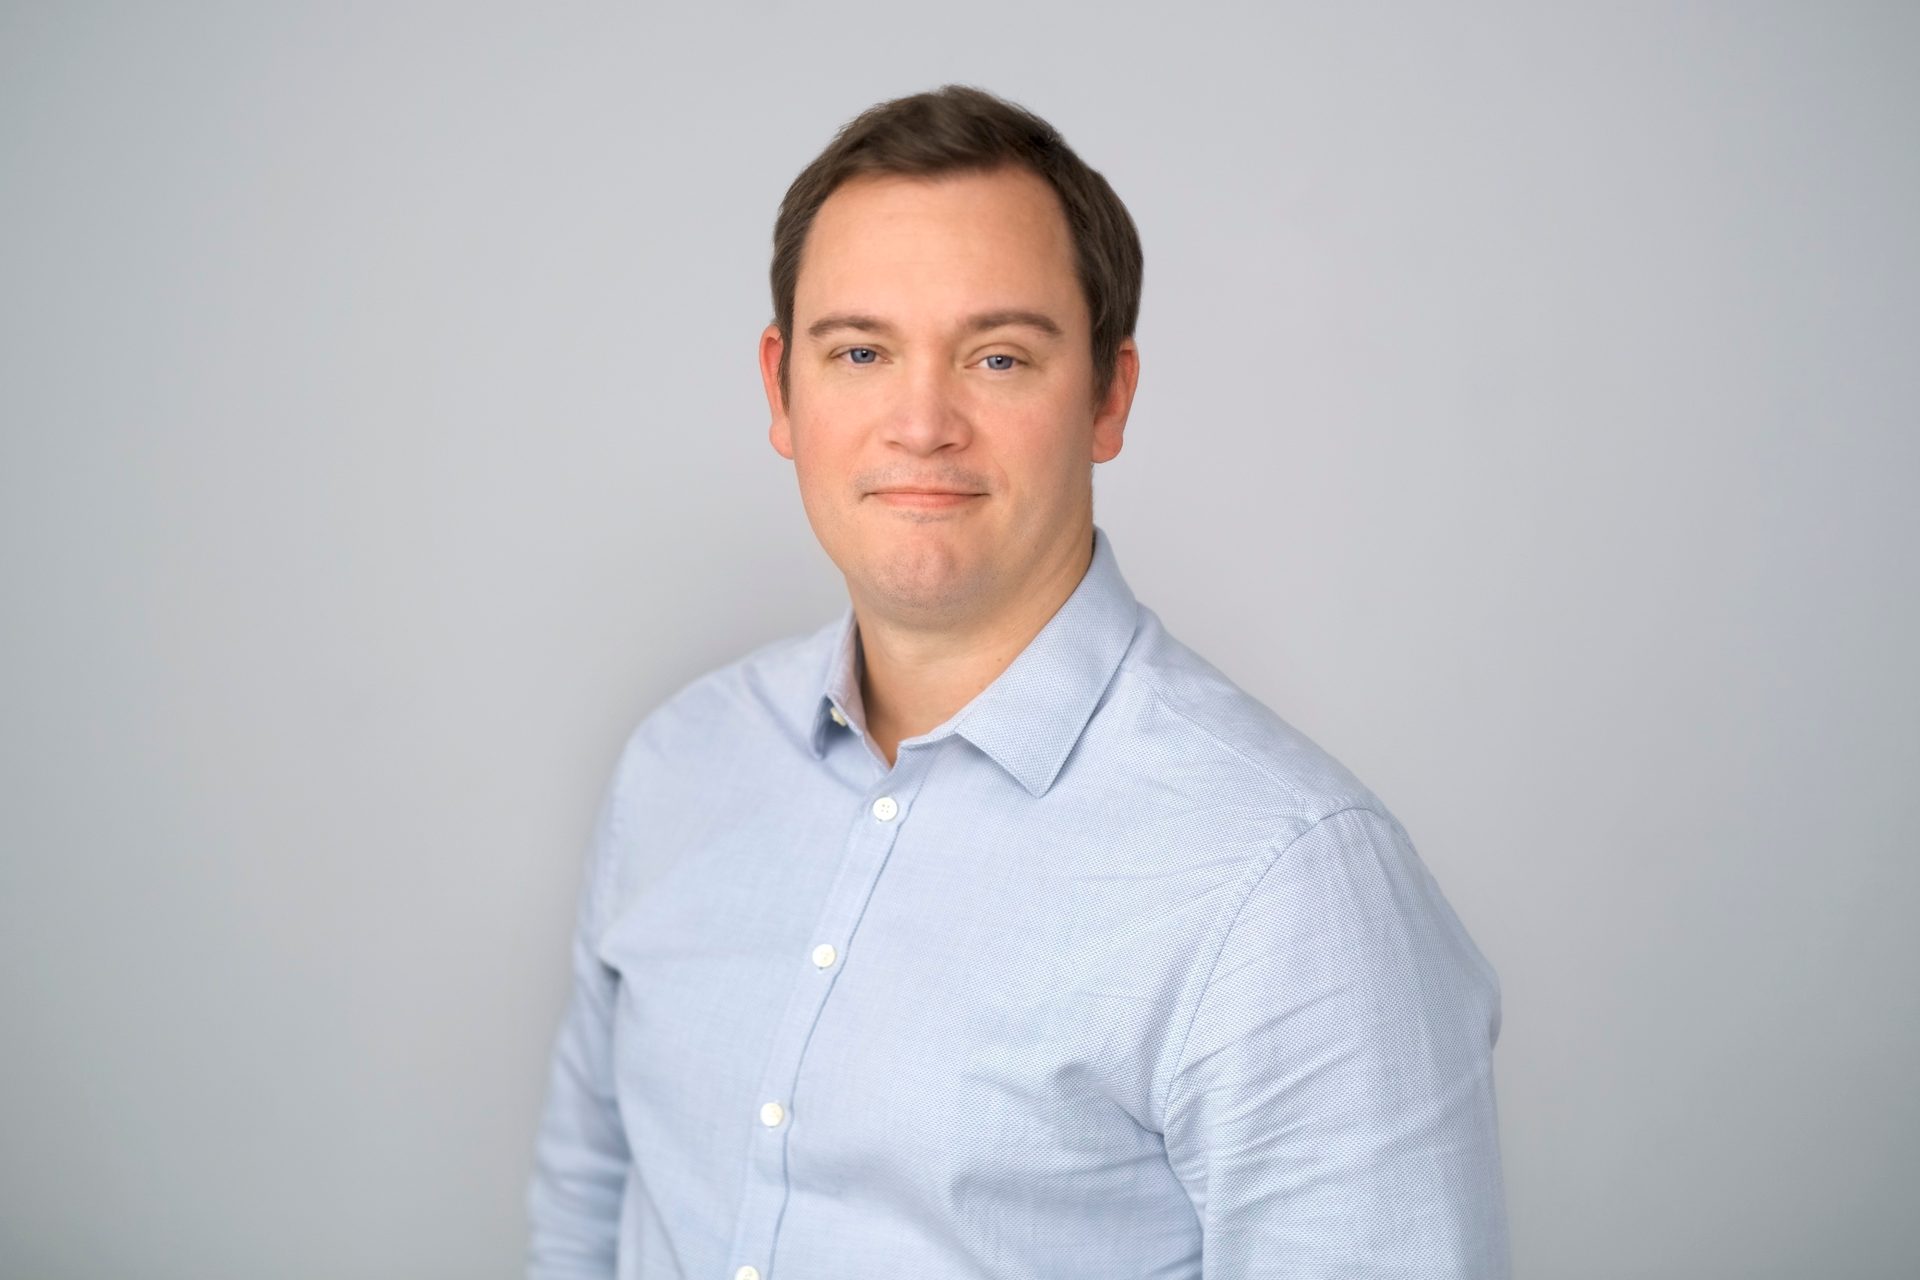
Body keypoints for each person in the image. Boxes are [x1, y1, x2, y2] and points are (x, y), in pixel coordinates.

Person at [526, 84, 1509, 1279]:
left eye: (998, 355)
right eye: (861, 351)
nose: (922, 421)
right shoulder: (679, 767)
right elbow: (589, 1206)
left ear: (1108, 396)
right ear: (783, 388)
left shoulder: (1288, 889)